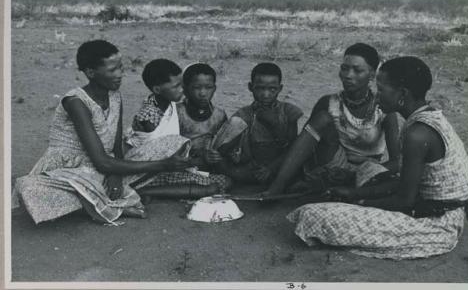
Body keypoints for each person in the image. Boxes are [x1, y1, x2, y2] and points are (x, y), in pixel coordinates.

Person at [287, 56, 468, 260]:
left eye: (381, 90)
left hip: (436, 223)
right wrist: (353, 192)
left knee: (311, 216)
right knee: (369, 170)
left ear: (402, 94)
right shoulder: (425, 119)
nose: (377, 97)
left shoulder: (417, 134)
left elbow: (404, 200)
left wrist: (357, 203)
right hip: (428, 205)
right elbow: (404, 183)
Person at [14, 40, 191, 225]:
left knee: (174, 143)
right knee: (29, 188)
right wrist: (162, 165)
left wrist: (116, 175)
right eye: (112, 70)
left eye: (121, 68)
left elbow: (116, 148)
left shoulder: (115, 96)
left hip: (106, 166)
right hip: (71, 169)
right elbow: (101, 161)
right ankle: (110, 201)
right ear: (91, 72)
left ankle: (100, 199)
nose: (120, 74)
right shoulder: (76, 102)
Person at [263, 43, 400, 195]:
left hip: (366, 171)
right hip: (331, 167)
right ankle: (278, 187)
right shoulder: (329, 103)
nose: (348, 75)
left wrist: (358, 174)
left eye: (357, 70)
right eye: (344, 68)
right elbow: (304, 143)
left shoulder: (383, 109)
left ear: (372, 75)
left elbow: (396, 161)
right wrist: (274, 170)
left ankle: (324, 187)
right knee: (322, 118)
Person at [125, 62, 231, 199]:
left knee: (224, 182)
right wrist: (197, 161)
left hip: (167, 168)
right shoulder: (150, 116)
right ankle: (142, 192)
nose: (182, 89)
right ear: (157, 89)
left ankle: (151, 192)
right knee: (213, 187)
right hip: (147, 172)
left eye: (182, 84)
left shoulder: (168, 106)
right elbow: (166, 157)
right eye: (176, 86)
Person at [213, 62, 303, 185]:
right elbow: (223, 149)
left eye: (272, 89)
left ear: (280, 88)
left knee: (296, 168)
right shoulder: (243, 115)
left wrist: (271, 168)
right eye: (260, 88)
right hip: (251, 167)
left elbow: (292, 148)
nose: (266, 95)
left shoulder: (288, 112)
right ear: (251, 87)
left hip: (280, 166)